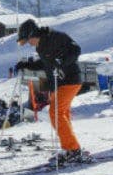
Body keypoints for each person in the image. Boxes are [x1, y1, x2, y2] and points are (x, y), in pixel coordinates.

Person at [14, 19, 87, 164]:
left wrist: (62, 61)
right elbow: (45, 63)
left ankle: (73, 149)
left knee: (55, 113)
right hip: (58, 84)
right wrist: (27, 65)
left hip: (70, 80)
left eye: (28, 40)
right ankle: (69, 147)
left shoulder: (55, 36)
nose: (29, 43)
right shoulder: (41, 46)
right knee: (62, 114)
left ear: (32, 34)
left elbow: (76, 49)